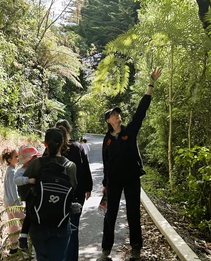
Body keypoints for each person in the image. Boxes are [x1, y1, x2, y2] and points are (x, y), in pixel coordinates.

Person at [98, 67, 162, 261]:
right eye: (113, 114)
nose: (117, 116)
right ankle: (106, 250)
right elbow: (105, 162)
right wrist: (104, 185)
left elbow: (142, 111)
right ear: (108, 121)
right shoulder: (107, 140)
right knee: (110, 215)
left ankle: (136, 247)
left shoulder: (130, 131)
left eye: (118, 113)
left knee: (133, 213)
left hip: (132, 178)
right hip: (114, 182)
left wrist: (151, 84)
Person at [23, 128, 78, 261]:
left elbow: (23, 193)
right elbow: (73, 191)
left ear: (45, 144)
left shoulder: (36, 164)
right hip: (61, 224)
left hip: (38, 223)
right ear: (63, 143)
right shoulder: (70, 166)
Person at [55, 120, 93, 261]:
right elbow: (85, 169)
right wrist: (88, 188)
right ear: (69, 130)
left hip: (56, 194)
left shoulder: (51, 148)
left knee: (57, 227)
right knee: (73, 227)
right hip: (76, 194)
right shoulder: (78, 147)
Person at [13, 145, 40, 250]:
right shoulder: (22, 171)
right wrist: (28, 180)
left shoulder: (36, 168)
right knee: (29, 215)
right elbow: (16, 180)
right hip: (28, 196)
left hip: (36, 197)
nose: (36, 159)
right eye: (34, 158)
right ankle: (23, 237)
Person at [0, 147, 24, 255]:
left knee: (13, 225)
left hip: (8, 202)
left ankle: (14, 247)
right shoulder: (13, 172)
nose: (18, 158)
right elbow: (14, 190)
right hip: (13, 203)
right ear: (9, 159)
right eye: (16, 156)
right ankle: (26, 243)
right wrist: (18, 203)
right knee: (24, 221)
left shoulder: (9, 170)